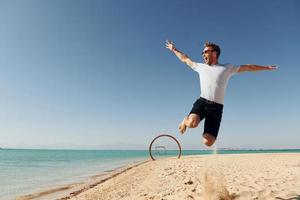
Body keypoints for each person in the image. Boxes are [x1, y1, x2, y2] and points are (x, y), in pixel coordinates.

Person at [165, 40, 277, 147]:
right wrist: (173, 49)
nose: (203, 55)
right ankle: (186, 120)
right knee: (192, 124)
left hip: (217, 108)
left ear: (214, 53)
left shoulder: (227, 68)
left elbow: (248, 67)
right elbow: (185, 59)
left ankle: (206, 131)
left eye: (205, 52)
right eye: (202, 53)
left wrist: (266, 67)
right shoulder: (200, 67)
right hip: (202, 102)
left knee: (208, 142)